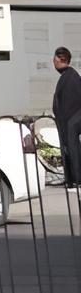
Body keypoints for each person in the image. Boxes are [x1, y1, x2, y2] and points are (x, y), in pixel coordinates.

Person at [54, 47, 81, 188]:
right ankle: (73, 178)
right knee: (71, 148)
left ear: (61, 59)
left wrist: (67, 122)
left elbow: (71, 103)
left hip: (71, 121)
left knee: (72, 148)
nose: (54, 62)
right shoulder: (68, 76)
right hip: (69, 121)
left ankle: (76, 178)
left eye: (55, 59)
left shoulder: (70, 77)